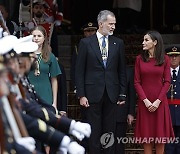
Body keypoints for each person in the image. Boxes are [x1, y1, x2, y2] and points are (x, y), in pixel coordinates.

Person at [75, 10, 127, 154]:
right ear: (101, 23)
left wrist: (122, 93)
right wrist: (81, 94)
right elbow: (79, 71)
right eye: (110, 24)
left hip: (112, 93)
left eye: (114, 24)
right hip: (91, 94)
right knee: (94, 131)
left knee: (109, 131)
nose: (113, 27)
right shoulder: (85, 43)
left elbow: (121, 70)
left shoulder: (118, 43)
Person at [134, 30, 174, 154]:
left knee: (160, 138)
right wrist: (145, 101)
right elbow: (136, 82)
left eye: (146, 40)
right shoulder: (139, 59)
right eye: (143, 40)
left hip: (160, 103)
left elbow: (167, 82)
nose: (143, 43)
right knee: (147, 138)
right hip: (145, 103)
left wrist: (157, 101)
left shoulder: (165, 59)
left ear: (155, 42)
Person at [27, 25, 61, 112]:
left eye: (39, 36)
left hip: (46, 94)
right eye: (34, 36)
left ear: (44, 38)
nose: (36, 38)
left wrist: (54, 103)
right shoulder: (25, 55)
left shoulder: (50, 56)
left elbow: (54, 80)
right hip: (29, 94)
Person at [71, 21, 97, 92]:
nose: (90, 33)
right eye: (88, 31)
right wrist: (76, 85)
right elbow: (74, 68)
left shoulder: (101, 45)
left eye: (92, 30)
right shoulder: (78, 48)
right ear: (84, 33)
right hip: (84, 82)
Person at [115, 65, 136, 154]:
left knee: (119, 143)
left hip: (121, 113)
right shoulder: (104, 69)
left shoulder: (128, 71)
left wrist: (131, 113)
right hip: (105, 113)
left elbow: (132, 93)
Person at [165, 45, 180, 154]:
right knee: (169, 146)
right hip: (167, 113)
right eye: (171, 56)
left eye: (176, 56)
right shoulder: (162, 74)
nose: (174, 58)